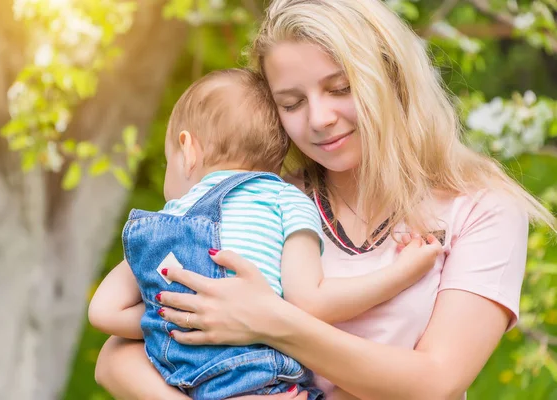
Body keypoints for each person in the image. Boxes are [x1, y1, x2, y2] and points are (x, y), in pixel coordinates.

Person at [93, 0, 556, 399]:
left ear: (392, 78)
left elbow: (436, 383)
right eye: (291, 103)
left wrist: (269, 320)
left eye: (340, 89)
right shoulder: (265, 203)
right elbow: (116, 358)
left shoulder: (480, 208)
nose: (319, 118)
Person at [88, 68, 441, 399]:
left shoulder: (167, 221)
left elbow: (104, 313)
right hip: (264, 385)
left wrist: (181, 318)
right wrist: (402, 272)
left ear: (187, 149)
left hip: (183, 384)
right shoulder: (287, 200)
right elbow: (311, 302)